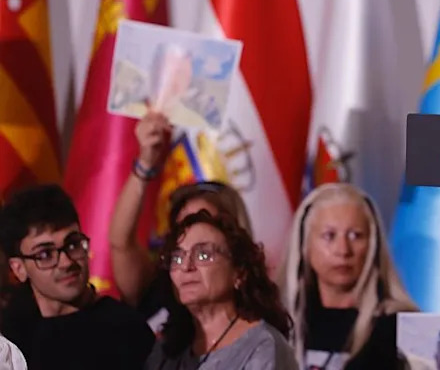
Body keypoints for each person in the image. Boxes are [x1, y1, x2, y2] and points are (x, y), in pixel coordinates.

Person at [109, 110, 252, 331]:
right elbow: (121, 242)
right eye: (183, 226)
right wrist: (145, 164)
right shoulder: (155, 288)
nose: (191, 236)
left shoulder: (257, 327)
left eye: (204, 223)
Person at [0, 184, 155, 368]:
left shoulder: (126, 329)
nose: (66, 262)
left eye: (73, 245)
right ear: (19, 269)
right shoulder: (10, 336)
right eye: (45, 254)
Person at [279, 183, 418, 369]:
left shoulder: (402, 328)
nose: (343, 250)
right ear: (305, 244)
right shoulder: (279, 322)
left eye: (355, 236)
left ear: (372, 245)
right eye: (329, 236)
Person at [145, 210, 297, 369]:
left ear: (239, 272)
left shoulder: (263, 346)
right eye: (177, 258)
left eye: (203, 255)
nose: (186, 266)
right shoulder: (168, 347)